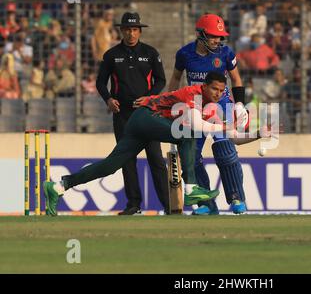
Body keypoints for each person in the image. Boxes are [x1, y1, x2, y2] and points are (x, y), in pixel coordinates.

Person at [43, 72, 234, 216]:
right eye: (214, 89)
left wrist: (257, 132)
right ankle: (191, 189)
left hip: (143, 123)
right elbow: (197, 125)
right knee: (187, 134)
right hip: (146, 117)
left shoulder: (210, 106)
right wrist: (224, 127)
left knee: (110, 166)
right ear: (204, 86)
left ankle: (60, 186)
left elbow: (222, 129)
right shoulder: (194, 93)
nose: (217, 94)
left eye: (220, 90)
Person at [167, 13, 249, 215]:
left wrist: (239, 103)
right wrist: (171, 105)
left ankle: (237, 199)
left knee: (226, 153)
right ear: (200, 34)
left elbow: (236, 80)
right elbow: (175, 80)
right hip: (195, 107)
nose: (217, 40)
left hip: (222, 107)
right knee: (191, 158)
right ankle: (206, 205)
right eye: (213, 35)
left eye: (220, 36)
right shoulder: (185, 54)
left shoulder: (226, 53)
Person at [95, 12, 170, 215]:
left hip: (147, 113)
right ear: (121, 30)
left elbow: (160, 81)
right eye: (127, 29)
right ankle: (134, 204)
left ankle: (169, 206)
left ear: (140, 31)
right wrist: (109, 100)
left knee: (155, 157)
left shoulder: (151, 53)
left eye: (135, 29)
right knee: (127, 159)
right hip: (123, 114)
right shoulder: (112, 55)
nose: (131, 34)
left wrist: (150, 98)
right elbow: (100, 82)